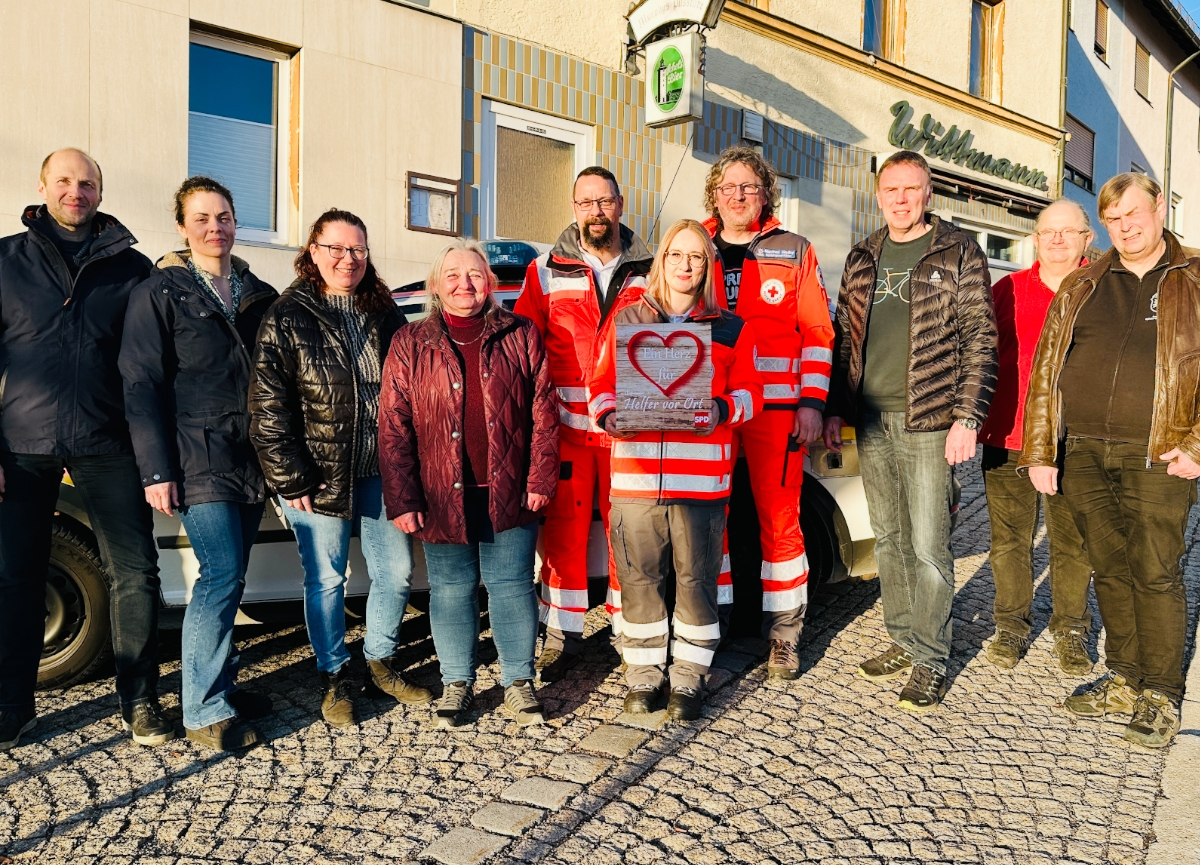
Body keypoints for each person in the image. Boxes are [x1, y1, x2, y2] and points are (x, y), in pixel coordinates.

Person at [1021, 172, 1200, 749]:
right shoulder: (1084, 282)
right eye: (1113, 219)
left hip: (1159, 453)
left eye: (1134, 213)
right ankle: (1126, 676)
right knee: (1110, 568)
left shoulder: (1194, 277)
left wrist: (1197, 445)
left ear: (1158, 209)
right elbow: (1047, 371)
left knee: (1155, 570)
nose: (1125, 226)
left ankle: (1161, 692)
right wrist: (1042, 449)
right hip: (1085, 454)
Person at [0, 149, 167, 751]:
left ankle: (140, 700)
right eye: (65, 180)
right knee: (15, 577)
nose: (76, 190)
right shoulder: (5, 260)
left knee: (136, 572)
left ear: (101, 191)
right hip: (22, 444)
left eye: (88, 181)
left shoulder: (130, 268)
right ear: (43, 185)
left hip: (107, 439)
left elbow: (147, 368)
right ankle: (12, 707)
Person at [824, 150, 997, 713]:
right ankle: (903, 636)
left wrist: (967, 417)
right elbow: (843, 341)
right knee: (890, 537)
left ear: (929, 193)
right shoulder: (862, 255)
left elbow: (979, 337)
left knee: (928, 543)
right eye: (891, 190)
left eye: (912, 189)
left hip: (929, 420)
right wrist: (834, 408)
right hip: (871, 420)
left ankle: (931, 655)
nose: (901, 199)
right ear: (879, 195)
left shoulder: (958, 250)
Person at [250, 209, 430, 729]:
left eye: (357, 250)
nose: (346, 259)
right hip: (318, 473)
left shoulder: (385, 313)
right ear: (312, 251)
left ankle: (381, 659)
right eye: (335, 248)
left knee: (395, 573)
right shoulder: (288, 314)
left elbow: (412, 391)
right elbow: (267, 405)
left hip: (382, 470)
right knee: (327, 578)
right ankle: (334, 673)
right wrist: (290, 476)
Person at [120, 177, 278, 751]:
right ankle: (203, 709)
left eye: (225, 216)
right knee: (218, 575)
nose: (216, 227)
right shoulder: (160, 291)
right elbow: (140, 383)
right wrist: (155, 469)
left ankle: (220, 685)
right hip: (194, 455)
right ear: (183, 226)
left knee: (233, 578)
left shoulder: (256, 291)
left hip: (248, 455)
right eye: (203, 217)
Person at [380, 239, 558, 729]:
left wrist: (541, 476)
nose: (464, 284)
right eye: (453, 275)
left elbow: (544, 411)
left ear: (491, 283)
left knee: (511, 587)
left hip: (510, 487)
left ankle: (519, 682)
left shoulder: (521, 334)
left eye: (475, 275)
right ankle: (457, 682)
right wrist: (403, 497)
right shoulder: (410, 342)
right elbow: (392, 425)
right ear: (436, 284)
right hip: (441, 492)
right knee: (452, 589)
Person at [590, 219, 763, 721]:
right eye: (676, 255)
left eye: (697, 257)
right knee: (639, 580)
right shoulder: (628, 320)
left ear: (708, 267)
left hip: (702, 483)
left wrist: (722, 409)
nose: (686, 266)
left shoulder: (730, 328)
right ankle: (644, 674)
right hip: (636, 478)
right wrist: (608, 415)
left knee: (697, 581)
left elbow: (753, 395)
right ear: (660, 261)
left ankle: (689, 676)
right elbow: (597, 384)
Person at [514, 166, 653, 683]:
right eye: (585, 202)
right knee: (563, 535)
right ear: (574, 209)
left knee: (628, 536)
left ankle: (628, 631)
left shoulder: (652, 267)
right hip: (567, 429)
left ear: (620, 204)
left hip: (629, 430)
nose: (595, 211)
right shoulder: (545, 270)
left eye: (604, 201)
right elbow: (525, 349)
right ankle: (562, 632)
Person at [701, 146, 835, 679]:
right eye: (728, 187)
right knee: (709, 520)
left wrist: (811, 402)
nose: (738, 196)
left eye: (749, 187)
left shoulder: (795, 249)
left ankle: (784, 633)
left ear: (766, 194)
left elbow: (819, 333)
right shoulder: (693, 246)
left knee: (780, 522)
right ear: (715, 194)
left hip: (777, 412)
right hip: (710, 411)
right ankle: (716, 622)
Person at [978, 199, 1094, 674]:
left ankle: (1070, 628)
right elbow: (979, 354)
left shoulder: (1102, 289)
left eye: (1069, 231)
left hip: (1075, 438)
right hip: (1008, 435)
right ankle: (1011, 624)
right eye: (1049, 231)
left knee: (1073, 542)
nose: (1058, 239)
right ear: (1036, 238)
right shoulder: (1006, 288)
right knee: (1009, 540)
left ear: (1088, 238)